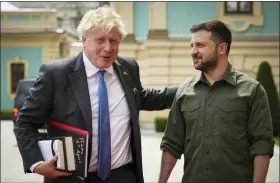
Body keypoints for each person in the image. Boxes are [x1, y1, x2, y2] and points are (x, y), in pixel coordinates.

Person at [14, 7, 177, 183]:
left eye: (113, 41)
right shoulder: (56, 74)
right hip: (72, 178)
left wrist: (189, 89)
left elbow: (144, 98)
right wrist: (35, 163)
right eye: (100, 40)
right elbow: (26, 122)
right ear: (84, 40)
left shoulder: (128, 68)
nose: (108, 48)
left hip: (122, 175)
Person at [158, 20, 275, 183]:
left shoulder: (252, 90)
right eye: (191, 45)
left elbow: (262, 144)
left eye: (199, 45)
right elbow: (171, 143)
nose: (192, 51)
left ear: (222, 48)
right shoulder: (184, 91)